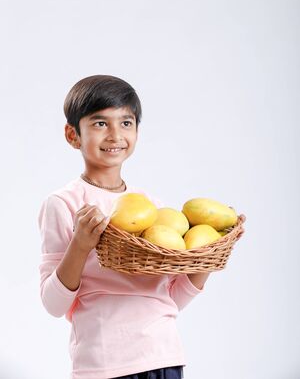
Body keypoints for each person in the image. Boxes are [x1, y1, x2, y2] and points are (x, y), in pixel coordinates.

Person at [38, 75, 210, 379]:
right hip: (103, 364)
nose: (115, 134)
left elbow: (168, 299)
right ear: (72, 134)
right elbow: (53, 304)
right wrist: (80, 244)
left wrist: (206, 257)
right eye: (100, 123)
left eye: (126, 123)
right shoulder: (64, 204)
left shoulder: (152, 208)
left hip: (164, 358)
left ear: (137, 132)